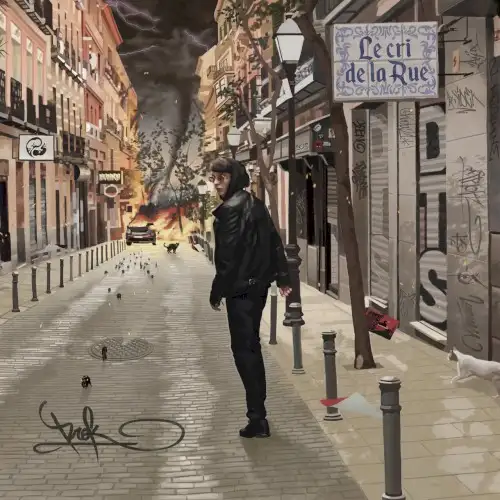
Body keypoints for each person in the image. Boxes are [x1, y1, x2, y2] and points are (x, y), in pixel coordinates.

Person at [209, 157, 291, 438]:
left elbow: (227, 258)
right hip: (257, 289)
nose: (216, 183)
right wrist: (282, 276)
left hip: (241, 290)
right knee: (250, 348)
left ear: (234, 177)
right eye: (214, 177)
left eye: (222, 177)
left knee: (244, 352)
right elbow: (274, 240)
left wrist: (217, 290)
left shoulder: (231, 210)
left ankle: (258, 418)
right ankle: (257, 415)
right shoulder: (255, 204)